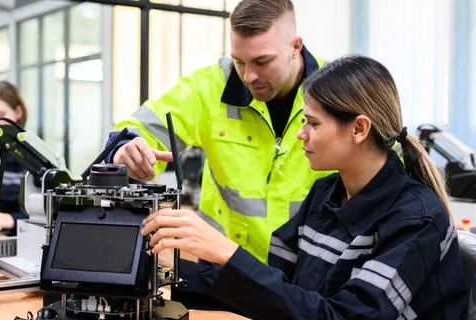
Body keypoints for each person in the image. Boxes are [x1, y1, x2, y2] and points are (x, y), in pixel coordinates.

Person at [141, 55, 468, 319]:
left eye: (312, 123)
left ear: (359, 129)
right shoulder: (327, 192)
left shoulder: (416, 219)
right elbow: (278, 295)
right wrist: (173, 269)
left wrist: (226, 252)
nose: (301, 135)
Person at [105, 0, 333, 263]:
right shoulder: (208, 87)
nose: (248, 76)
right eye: (239, 61)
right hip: (222, 273)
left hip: (305, 278)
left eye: (262, 61)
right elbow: (137, 129)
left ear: (295, 47)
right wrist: (127, 149)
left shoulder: (337, 90)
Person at [0, 81, 29, 236]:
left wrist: (12, 219)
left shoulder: (33, 154)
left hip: (17, 239)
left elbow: (50, 210)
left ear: (18, 112)